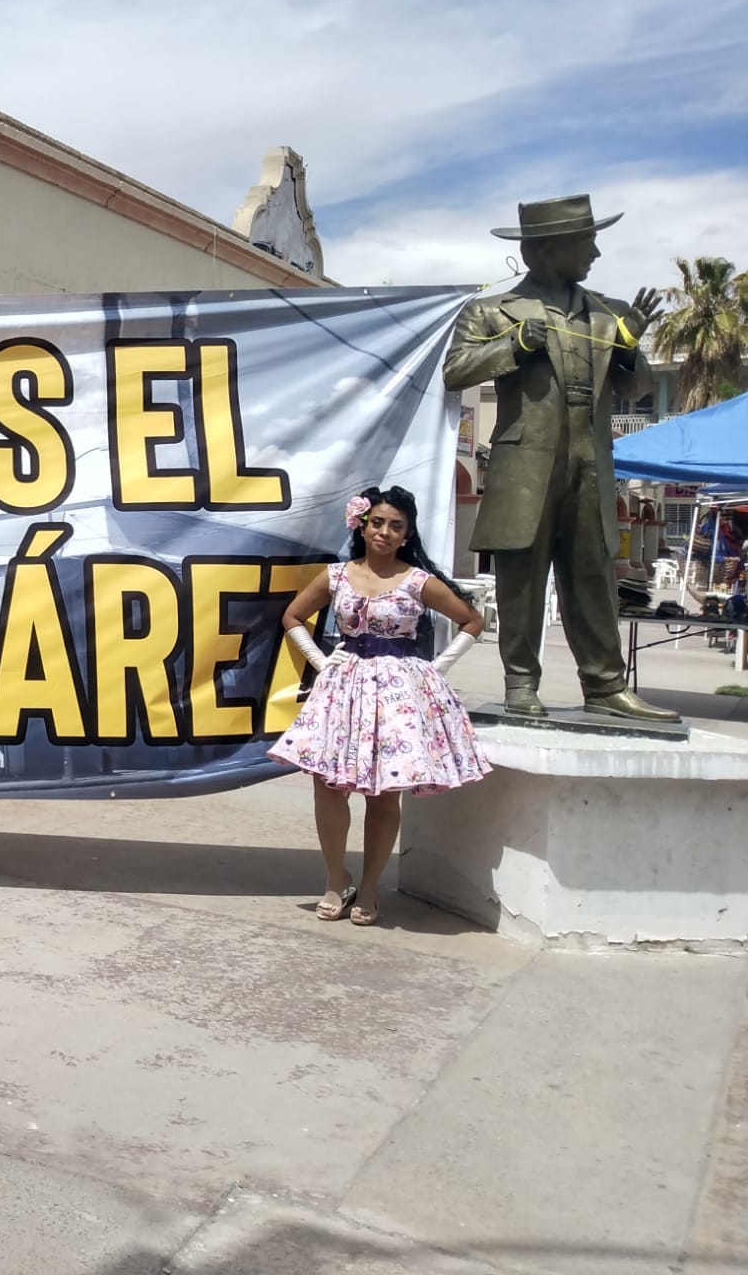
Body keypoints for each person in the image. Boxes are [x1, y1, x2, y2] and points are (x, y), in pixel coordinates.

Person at [441, 195, 675, 722]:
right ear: (546, 250)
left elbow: (636, 390)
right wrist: (516, 345)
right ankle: (521, 684)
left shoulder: (607, 313)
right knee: (521, 578)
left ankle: (605, 686)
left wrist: (631, 347)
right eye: (585, 241)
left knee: (593, 573)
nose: (594, 251)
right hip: (524, 462)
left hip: (591, 459)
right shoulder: (491, 310)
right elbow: (456, 371)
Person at [269, 487, 492, 927]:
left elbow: (472, 620)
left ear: (407, 534)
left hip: (396, 695)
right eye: (378, 523)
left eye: (396, 526)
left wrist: (433, 669)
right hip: (345, 689)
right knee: (328, 786)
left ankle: (370, 886)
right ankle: (337, 878)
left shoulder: (417, 581)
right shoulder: (336, 576)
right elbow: (292, 616)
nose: (385, 532)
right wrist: (321, 660)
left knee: (384, 792)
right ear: (362, 525)